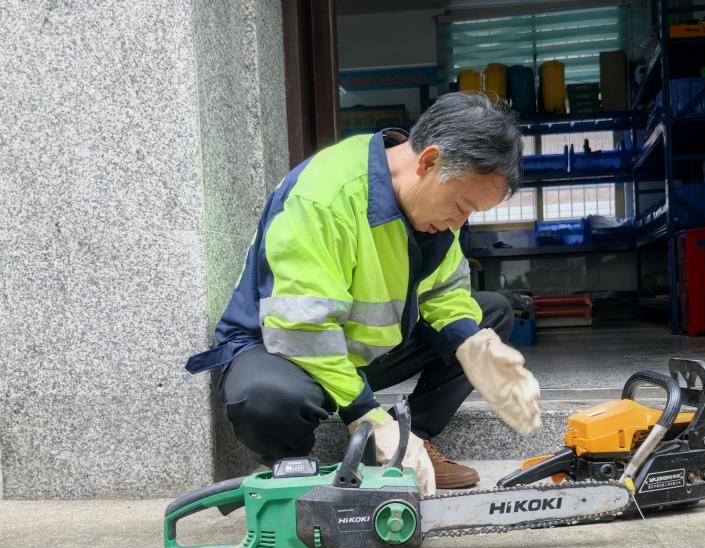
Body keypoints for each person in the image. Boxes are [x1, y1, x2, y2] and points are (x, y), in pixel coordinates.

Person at [185, 92, 541, 497]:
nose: (461, 221)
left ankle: (408, 447)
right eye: (462, 205)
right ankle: (297, 477)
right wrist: (366, 415)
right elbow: (302, 329)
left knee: (489, 315)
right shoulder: (325, 196)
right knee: (265, 400)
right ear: (429, 162)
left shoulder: (435, 204)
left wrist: (475, 348)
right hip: (283, 348)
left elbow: (443, 290)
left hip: (356, 351)